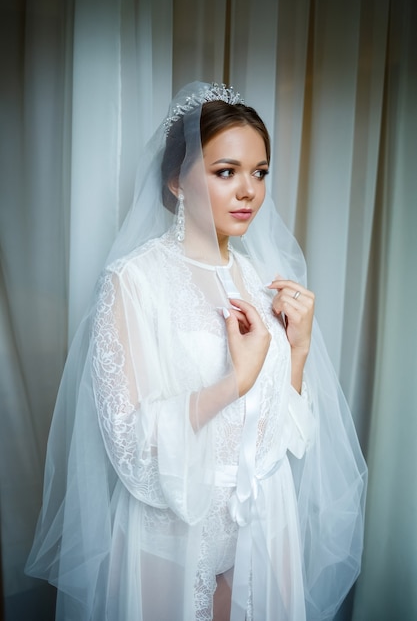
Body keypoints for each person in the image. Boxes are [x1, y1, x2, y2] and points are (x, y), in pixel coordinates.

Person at [26, 82, 367, 621]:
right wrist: (236, 381)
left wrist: (296, 352)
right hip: (173, 536)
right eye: (225, 171)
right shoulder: (132, 282)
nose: (249, 191)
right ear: (175, 181)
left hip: (262, 527)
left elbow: (284, 439)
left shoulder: (260, 281)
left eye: (259, 172)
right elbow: (133, 451)